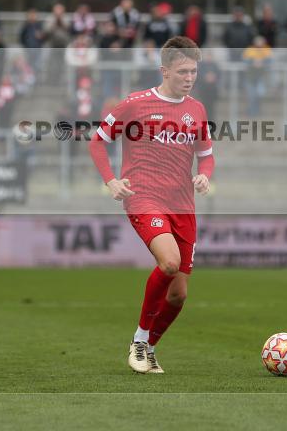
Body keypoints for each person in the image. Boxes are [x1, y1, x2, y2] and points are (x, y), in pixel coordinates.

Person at [88, 37, 214, 374]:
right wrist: (111, 180)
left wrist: (204, 176)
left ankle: (150, 348)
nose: (190, 77)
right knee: (169, 262)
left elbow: (206, 155)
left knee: (178, 296)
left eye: (194, 71)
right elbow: (98, 141)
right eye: (183, 71)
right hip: (144, 197)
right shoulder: (136, 104)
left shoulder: (197, 109)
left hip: (182, 205)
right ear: (165, 71)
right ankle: (139, 339)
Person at [242, 35, 272, 117]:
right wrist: (253, 62)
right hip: (250, 77)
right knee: (251, 96)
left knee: (260, 94)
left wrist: (262, 62)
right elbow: (245, 61)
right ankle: (251, 112)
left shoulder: (266, 49)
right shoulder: (250, 50)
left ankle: (256, 111)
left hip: (261, 77)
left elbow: (270, 61)